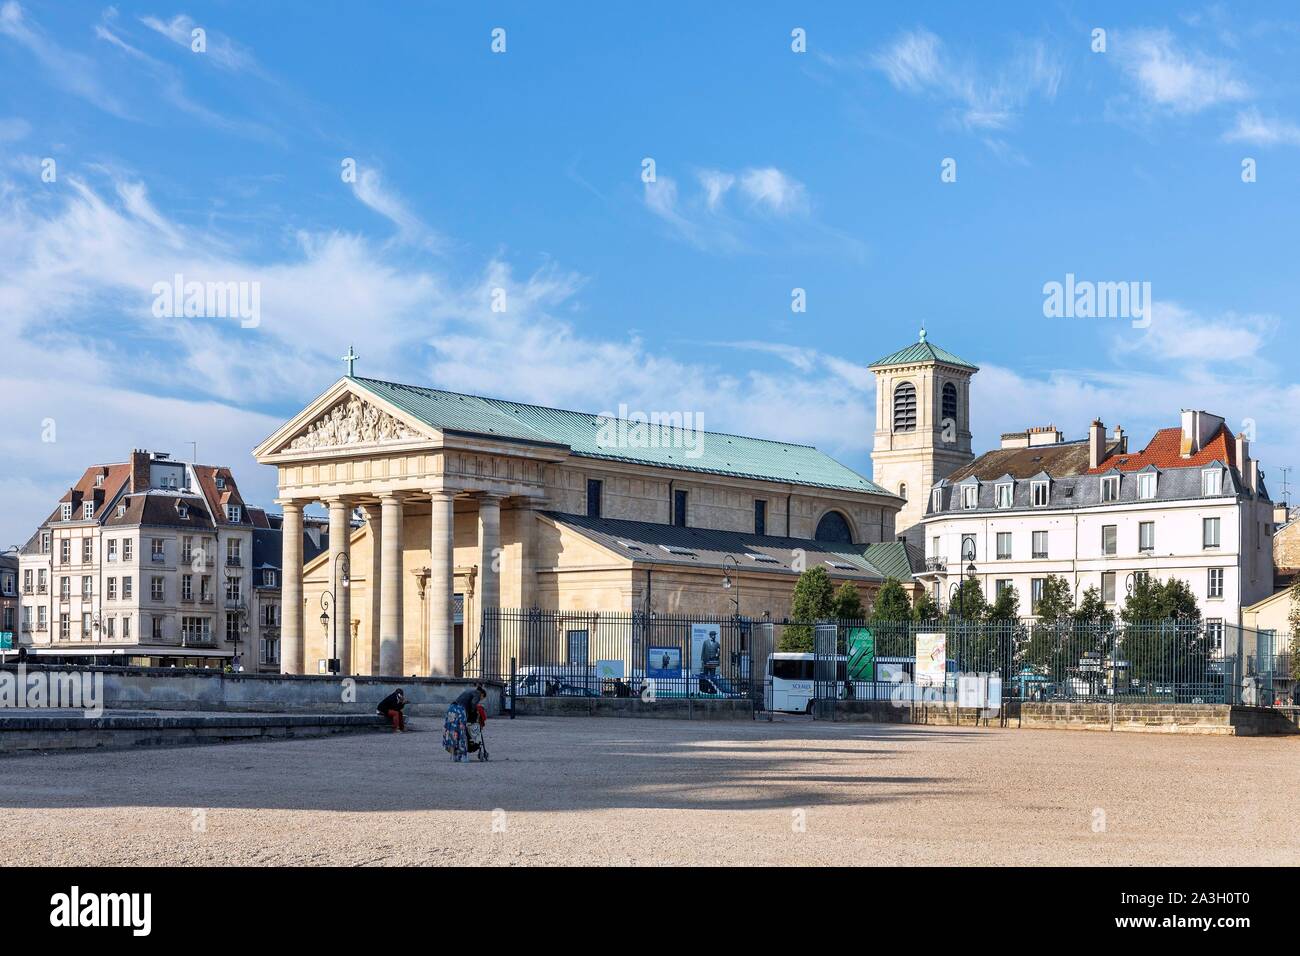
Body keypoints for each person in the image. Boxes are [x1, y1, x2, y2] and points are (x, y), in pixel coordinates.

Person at [443, 684, 486, 762]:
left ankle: (454, 755)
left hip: (451, 709)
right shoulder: (477, 693)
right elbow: (473, 704)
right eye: (482, 698)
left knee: (452, 732)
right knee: (461, 733)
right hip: (459, 710)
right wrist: (473, 712)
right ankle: (463, 756)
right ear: (482, 694)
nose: (481, 700)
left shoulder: (469, 691)